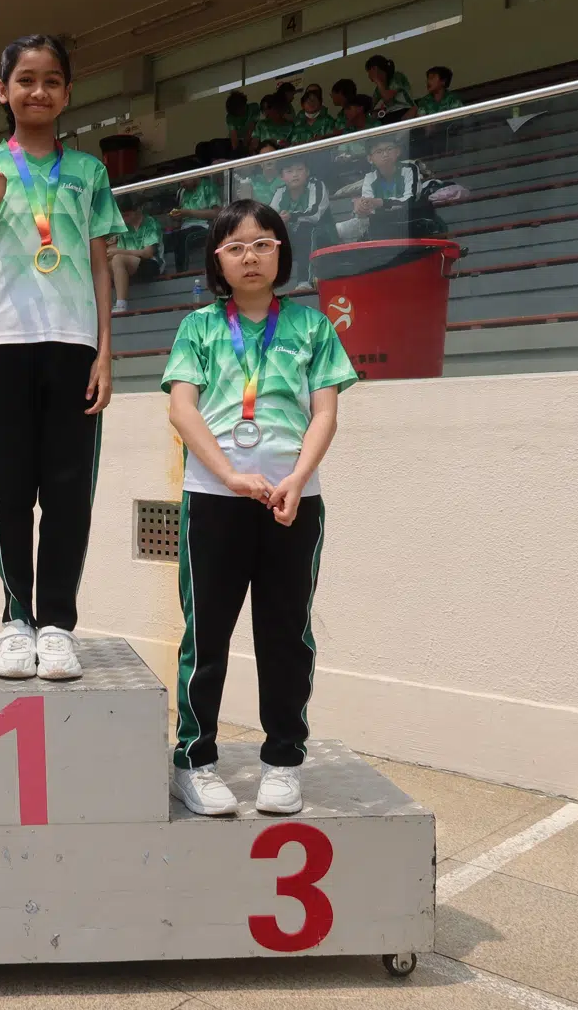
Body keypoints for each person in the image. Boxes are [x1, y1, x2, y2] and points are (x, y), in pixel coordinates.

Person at [161, 199, 356, 817]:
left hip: (293, 503)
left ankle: (283, 762)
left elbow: (325, 412)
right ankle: (194, 760)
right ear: (217, 260)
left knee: (285, 635)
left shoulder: (312, 327)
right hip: (214, 500)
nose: (251, 256)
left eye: (263, 244)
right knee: (206, 634)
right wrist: (228, 475)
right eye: (236, 246)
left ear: (281, 252)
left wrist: (297, 478)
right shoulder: (198, 327)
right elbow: (182, 409)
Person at [0, 34, 124, 681]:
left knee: (69, 490)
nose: (38, 91)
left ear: (68, 93)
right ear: (3, 91)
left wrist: (105, 350)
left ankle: (55, 624)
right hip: (3, 343)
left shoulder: (89, 173)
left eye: (52, 80)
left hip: (74, 344)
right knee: (9, 489)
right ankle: (15, 620)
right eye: (25, 79)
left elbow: (101, 265)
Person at [342, 135, 442, 241]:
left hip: (414, 224)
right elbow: (370, 206)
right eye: (379, 151)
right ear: (370, 159)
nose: (385, 154)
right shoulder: (370, 178)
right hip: (387, 229)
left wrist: (381, 202)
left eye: (389, 149)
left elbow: (410, 200)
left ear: (397, 151)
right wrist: (362, 206)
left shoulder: (409, 169)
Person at [271, 152, 337, 290]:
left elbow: (314, 214)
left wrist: (290, 217)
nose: (295, 174)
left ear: (307, 172)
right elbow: (270, 216)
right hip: (294, 238)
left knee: (305, 227)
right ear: (282, 177)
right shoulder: (280, 192)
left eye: (299, 169)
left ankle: (304, 281)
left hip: (323, 235)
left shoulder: (316, 186)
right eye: (289, 171)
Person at [108, 198, 163, 313]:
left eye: (127, 215)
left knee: (117, 258)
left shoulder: (150, 223)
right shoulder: (123, 227)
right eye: (122, 216)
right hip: (131, 264)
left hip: (152, 263)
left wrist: (119, 251)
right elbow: (119, 250)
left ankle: (121, 304)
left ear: (137, 210)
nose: (124, 219)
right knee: (106, 262)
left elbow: (147, 253)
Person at [168, 173, 223, 275]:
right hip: (184, 227)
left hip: (204, 226)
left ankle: (182, 273)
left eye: (183, 181)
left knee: (183, 236)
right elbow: (179, 219)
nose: (182, 185)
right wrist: (177, 216)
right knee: (171, 237)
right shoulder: (182, 192)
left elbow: (217, 213)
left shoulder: (208, 187)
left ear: (194, 175)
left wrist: (189, 212)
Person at [366, 54, 415, 122]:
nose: (369, 76)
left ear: (375, 68)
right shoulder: (378, 89)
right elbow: (372, 107)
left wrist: (377, 80)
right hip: (390, 115)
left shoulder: (397, 77)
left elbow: (388, 98)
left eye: (369, 72)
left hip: (405, 111)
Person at [225, 91, 259, 157]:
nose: (239, 114)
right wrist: (238, 152)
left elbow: (251, 129)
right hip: (240, 142)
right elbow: (234, 139)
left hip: (254, 138)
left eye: (240, 109)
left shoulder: (254, 107)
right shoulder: (230, 117)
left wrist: (246, 146)